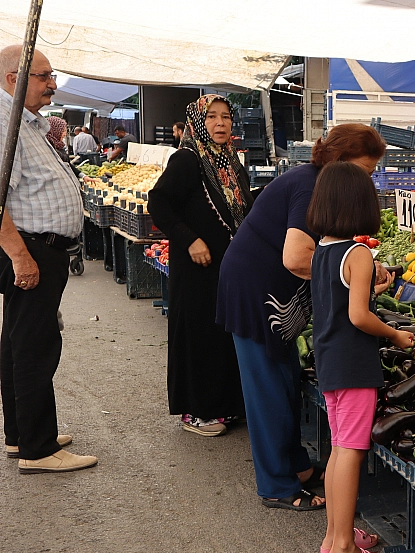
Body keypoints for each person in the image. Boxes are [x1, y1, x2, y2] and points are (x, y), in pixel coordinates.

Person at [216, 123, 387, 511]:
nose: (367, 181)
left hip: (271, 295)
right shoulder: (312, 186)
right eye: (365, 171)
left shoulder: (318, 182)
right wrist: (351, 276)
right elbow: (296, 258)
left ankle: (296, 466)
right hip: (256, 291)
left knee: (285, 378)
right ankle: (277, 486)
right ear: (340, 160)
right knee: (267, 390)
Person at [307, 161, 414, 553]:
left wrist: (371, 289)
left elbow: (341, 299)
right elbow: (358, 316)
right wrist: (394, 334)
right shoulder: (359, 253)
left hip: (329, 361)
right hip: (354, 365)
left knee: (338, 448)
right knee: (351, 450)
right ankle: (345, 551)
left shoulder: (323, 249)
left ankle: (334, 535)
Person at [0, 45, 95, 474]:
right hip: (31, 248)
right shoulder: (6, 123)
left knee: (18, 342)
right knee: (35, 348)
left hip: (39, 247)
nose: (53, 84)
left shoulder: (25, 121)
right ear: (13, 78)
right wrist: (21, 257)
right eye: (44, 76)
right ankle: (38, 449)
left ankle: (22, 434)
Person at [148, 95, 253, 436]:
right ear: (197, 122)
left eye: (226, 117)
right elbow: (158, 203)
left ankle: (226, 405)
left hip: (228, 266)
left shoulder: (231, 161)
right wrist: (190, 239)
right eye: (211, 117)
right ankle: (197, 412)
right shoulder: (186, 160)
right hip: (196, 268)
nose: (220, 123)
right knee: (199, 335)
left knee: (222, 335)